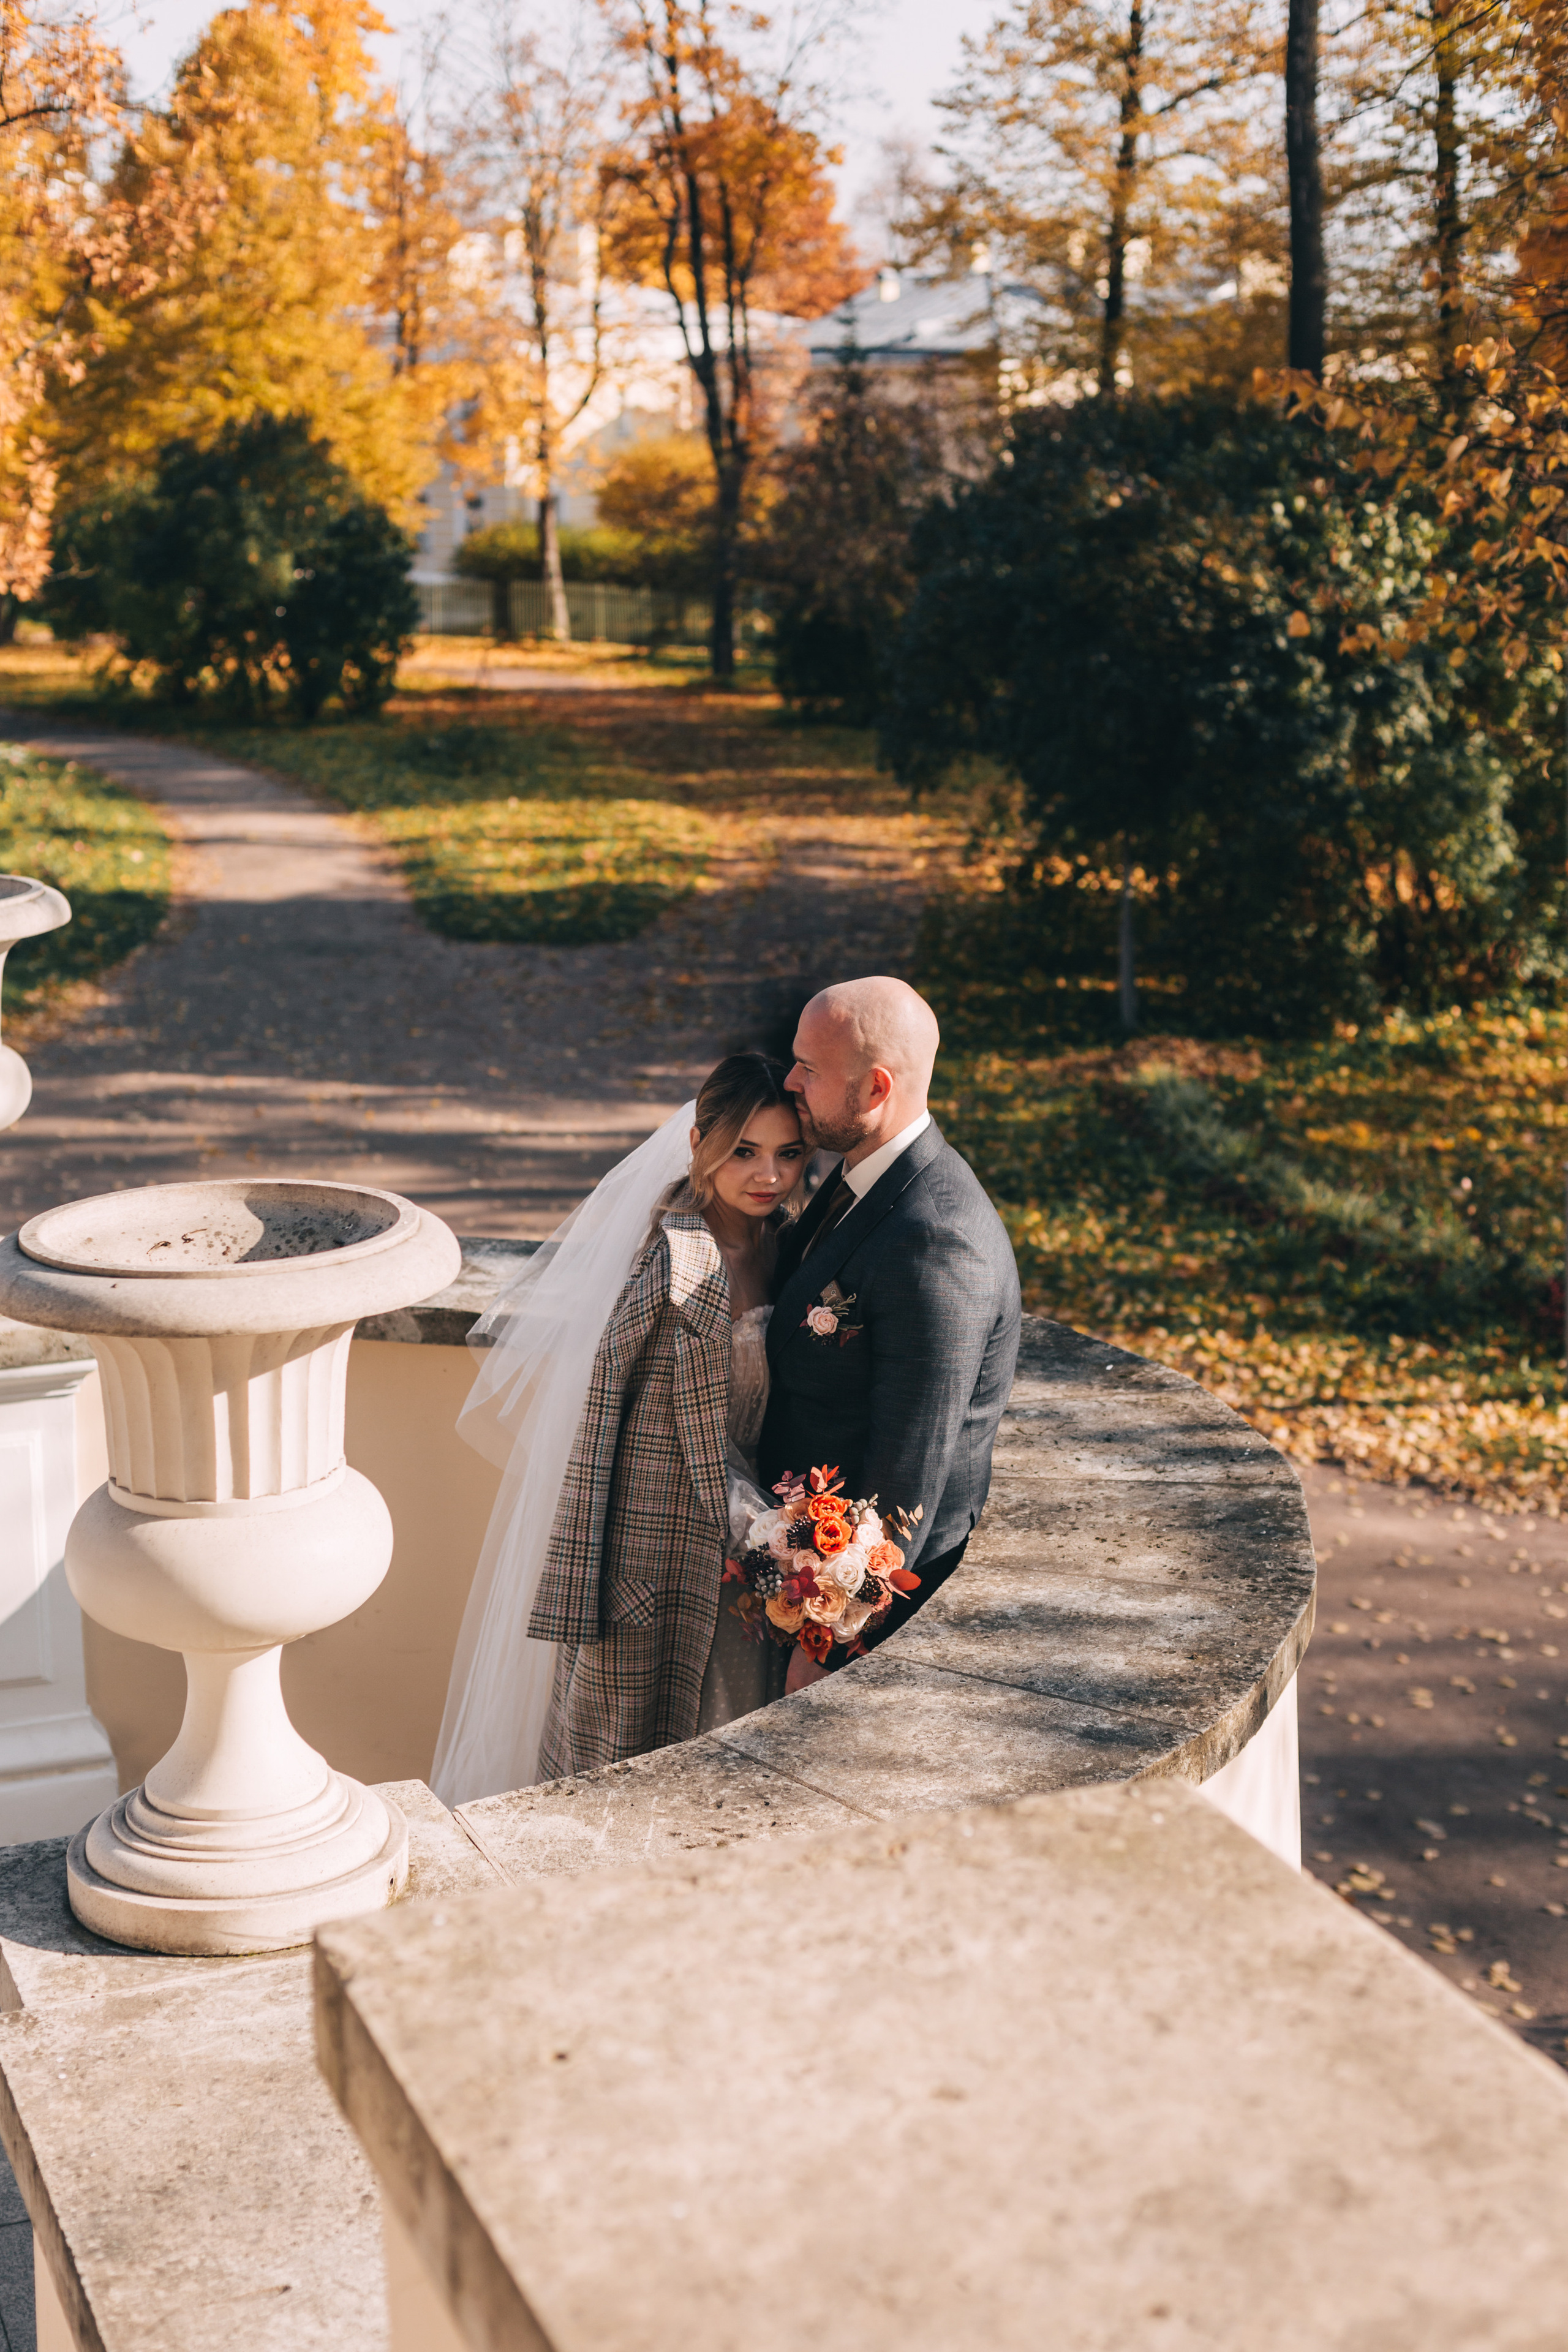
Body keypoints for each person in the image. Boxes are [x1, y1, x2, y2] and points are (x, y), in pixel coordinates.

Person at [431, 1053, 807, 1803]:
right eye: (744, 1152)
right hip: (653, 1563)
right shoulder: (672, 1268)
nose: (768, 1175)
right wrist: (776, 1533)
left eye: (787, 1153)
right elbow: (686, 1436)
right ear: (699, 1144)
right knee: (619, 1784)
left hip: (734, 1561)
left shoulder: (782, 1243)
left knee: (716, 1781)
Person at [760, 976, 1022, 1692]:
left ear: (874, 1090)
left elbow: (909, 1466)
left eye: (809, 1070)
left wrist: (828, 1641)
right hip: (794, 1573)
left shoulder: (936, 1237)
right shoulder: (862, 1179)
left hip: (864, 1632)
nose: (789, 1082)